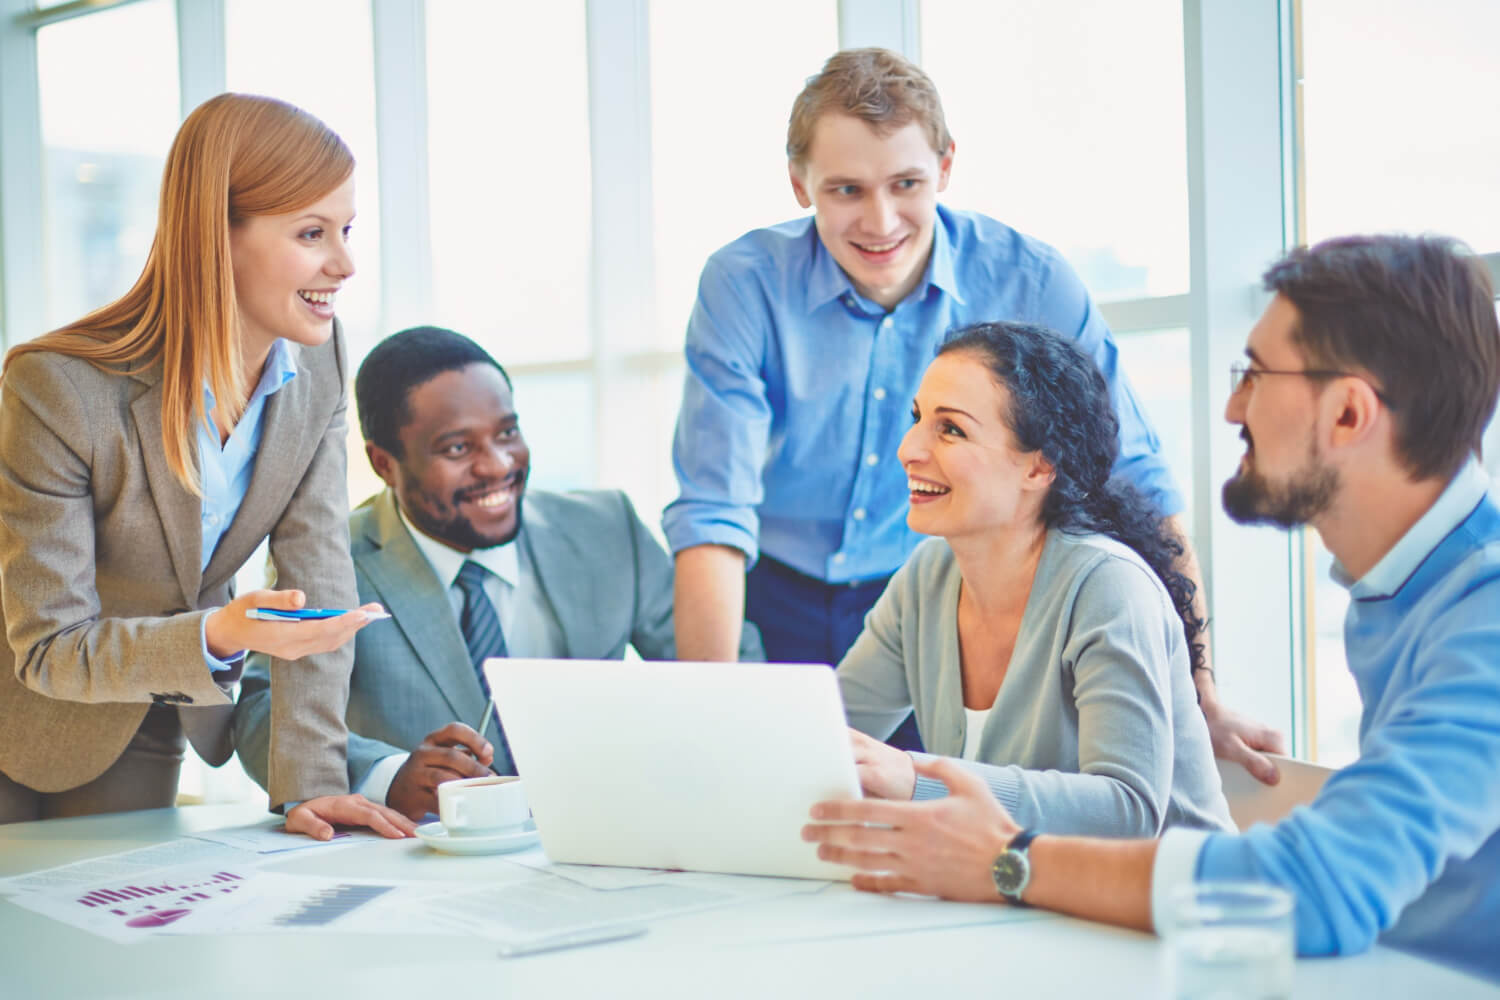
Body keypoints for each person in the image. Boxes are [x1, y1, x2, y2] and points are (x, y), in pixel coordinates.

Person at [803, 234, 1500, 984]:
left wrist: (1007, 862)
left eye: (1256, 375)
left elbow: (1317, 888)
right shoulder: (1402, 593)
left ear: (1349, 414)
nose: (1233, 405)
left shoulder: (1482, 618)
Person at [663, 47, 1281, 777]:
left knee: (946, 816)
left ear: (947, 167)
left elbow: (1138, 485)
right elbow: (714, 517)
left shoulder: (1032, 279)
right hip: (779, 594)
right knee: (774, 797)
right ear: (800, 182)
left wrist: (1199, 695)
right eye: (845, 191)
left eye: (906, 183)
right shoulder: (745, 285)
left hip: (947, 599)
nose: (880, 220)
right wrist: (701, 731)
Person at [0, 94, 412, 839]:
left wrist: (309, 787)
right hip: (19, 706)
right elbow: (49, 646)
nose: (345, 263)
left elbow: (317, 577)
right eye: (312, 233)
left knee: (123, 934)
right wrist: (220, 635)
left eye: (346, 230)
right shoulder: (57, 386)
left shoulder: (318, 365)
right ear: (217, 236)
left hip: (155, 707)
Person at [234, 326, 763, 820]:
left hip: (606, 839)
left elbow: (728, 667)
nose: (496, 465)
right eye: (458, 448)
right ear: (385, 464)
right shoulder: (331, 560)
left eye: (507, 433)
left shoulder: (609, 529)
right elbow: (262, 713)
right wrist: (387, 776)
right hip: (428, 866)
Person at [837, 322, 1233, 836]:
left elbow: (1128, 812)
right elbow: (826, 740)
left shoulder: (1108, 587)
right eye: (917, 418)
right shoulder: (925, 580)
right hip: (1028, 905)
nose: (908, 448)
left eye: (951, 429)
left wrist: (916, 779)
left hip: (1172, 906)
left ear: (1039, 468)